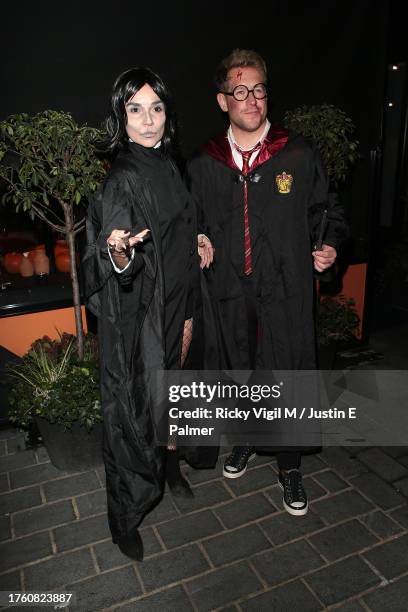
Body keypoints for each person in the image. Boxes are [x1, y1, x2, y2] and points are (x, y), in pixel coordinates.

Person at [186, 49, 348, 516]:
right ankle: (245, 441)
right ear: (223, 101)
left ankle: (290, 464)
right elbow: (189, 221)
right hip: (229, 291)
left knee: (287, 373)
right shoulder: (203, 163)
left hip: (284, 289)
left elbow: (328, 213)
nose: (251, 99)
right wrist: (197, 238)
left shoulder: (296, 154)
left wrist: (331, 246)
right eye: (240, 91)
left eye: (257, 89)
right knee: (241, 371)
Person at [83, 67, 214, 561]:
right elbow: (110, 254)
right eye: (135, 109)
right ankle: (124, 518)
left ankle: (171, 468)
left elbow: (178, 221)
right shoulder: (122, 179)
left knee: (175, 397)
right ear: (120, 116)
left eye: (156, 108)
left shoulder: (169, 163)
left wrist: (197, 236)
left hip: (182, 305)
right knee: (133, 413)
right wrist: (119, 255)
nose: (148, 120)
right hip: (145, 318)